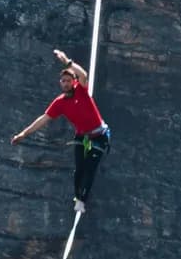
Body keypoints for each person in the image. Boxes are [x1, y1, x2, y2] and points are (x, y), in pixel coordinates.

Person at [9, 48, 110, 212]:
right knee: (79, 169)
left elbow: (83, 75)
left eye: (68, 80)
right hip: (83, 135)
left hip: (99, 135)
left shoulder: (81, 90)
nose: (65, 83)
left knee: (90, 168)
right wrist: (23, 134)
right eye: (63, 81)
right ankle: (78, 196)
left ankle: (83, 200)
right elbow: (43, 119)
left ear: (74, 81)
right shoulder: (60, 102)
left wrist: (67, 62)